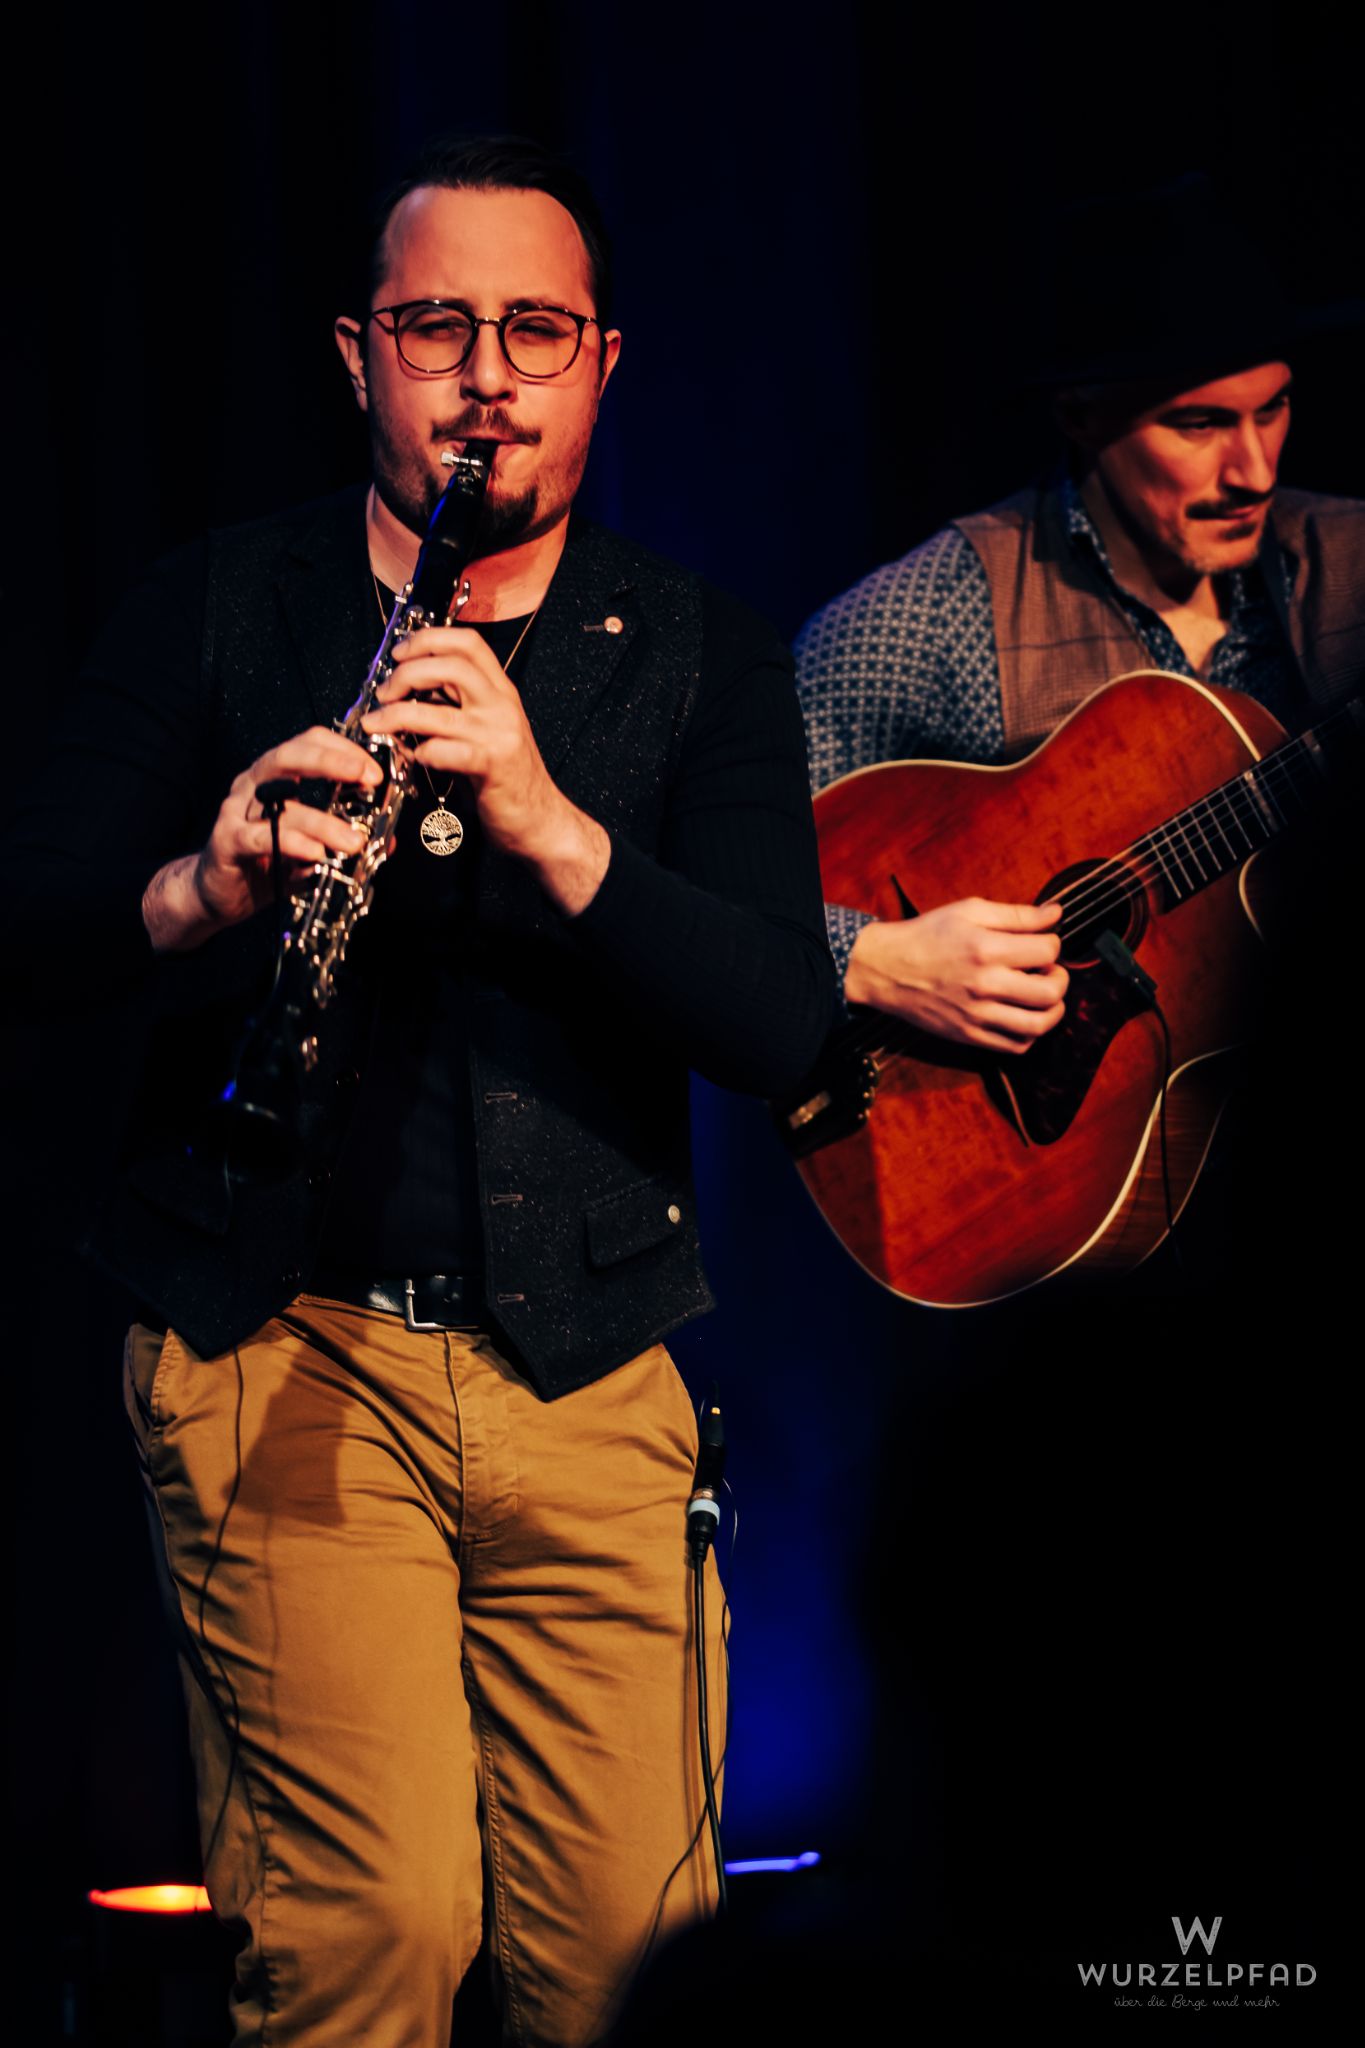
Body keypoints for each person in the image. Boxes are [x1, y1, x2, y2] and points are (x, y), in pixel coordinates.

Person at [16, 138, 834, 2047]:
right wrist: (203, 884)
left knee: (629, 1971)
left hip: (591, 1361)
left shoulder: (701, 651)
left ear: (603, 364)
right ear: (355, 354)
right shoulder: (219, 604)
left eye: (535, 331)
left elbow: (784, 1023)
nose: (486, 380)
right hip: (278, 1340)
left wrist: (554, 826)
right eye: (435, 328)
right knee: (370, 1935)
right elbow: (29, 925)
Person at [796, 176, 1364, 1050]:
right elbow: (725, 886)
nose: (1252, 471)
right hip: (1023, 1119)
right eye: (1199, 425)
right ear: (1079, 416)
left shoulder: (1350, 565)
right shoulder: (932, 615)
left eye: (1273, 409)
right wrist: (870, 957)